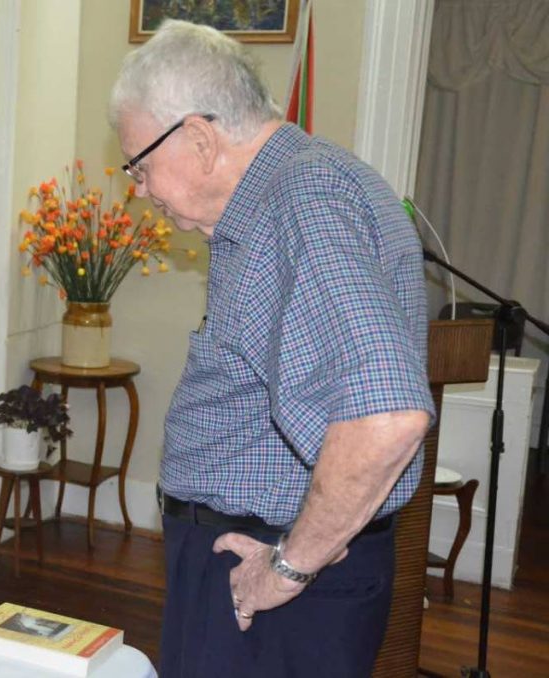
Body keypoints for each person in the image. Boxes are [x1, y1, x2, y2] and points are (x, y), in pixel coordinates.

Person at [108, 21, 436, 677]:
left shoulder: (302, 197)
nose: (139, 190)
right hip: (263, 562)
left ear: (199, 139)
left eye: (140, 166)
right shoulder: (291, 192)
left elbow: (386, 416)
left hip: (273, 585)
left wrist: (288, 567)